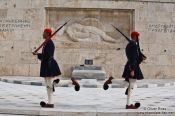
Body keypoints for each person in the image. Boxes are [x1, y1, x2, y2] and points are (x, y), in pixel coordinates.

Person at [33, 28, 80, 108]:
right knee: (48, 85)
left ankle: (71, 82)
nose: (42, 34)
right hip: (46, 65)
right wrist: (38, 54)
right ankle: (50, 103)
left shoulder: (50, 43)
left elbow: (47, 56)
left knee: (51, 84)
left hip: (49, 65)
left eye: (44, 33)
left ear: (48, 34)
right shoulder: (46, 43)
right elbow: (45, 55)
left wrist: (38, 54)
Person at [104, 31, 145, 109]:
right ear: (135, 37)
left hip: (131, 65)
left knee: (128, 85)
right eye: (138, 36)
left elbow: (133, 57)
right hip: (133, 67)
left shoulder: (130, 44)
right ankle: (128, 104)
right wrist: (133, 69)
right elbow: (132, 57)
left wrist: (140, 58)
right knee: (130, 85)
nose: (139, 38)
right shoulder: (133, 45)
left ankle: (128, 104)